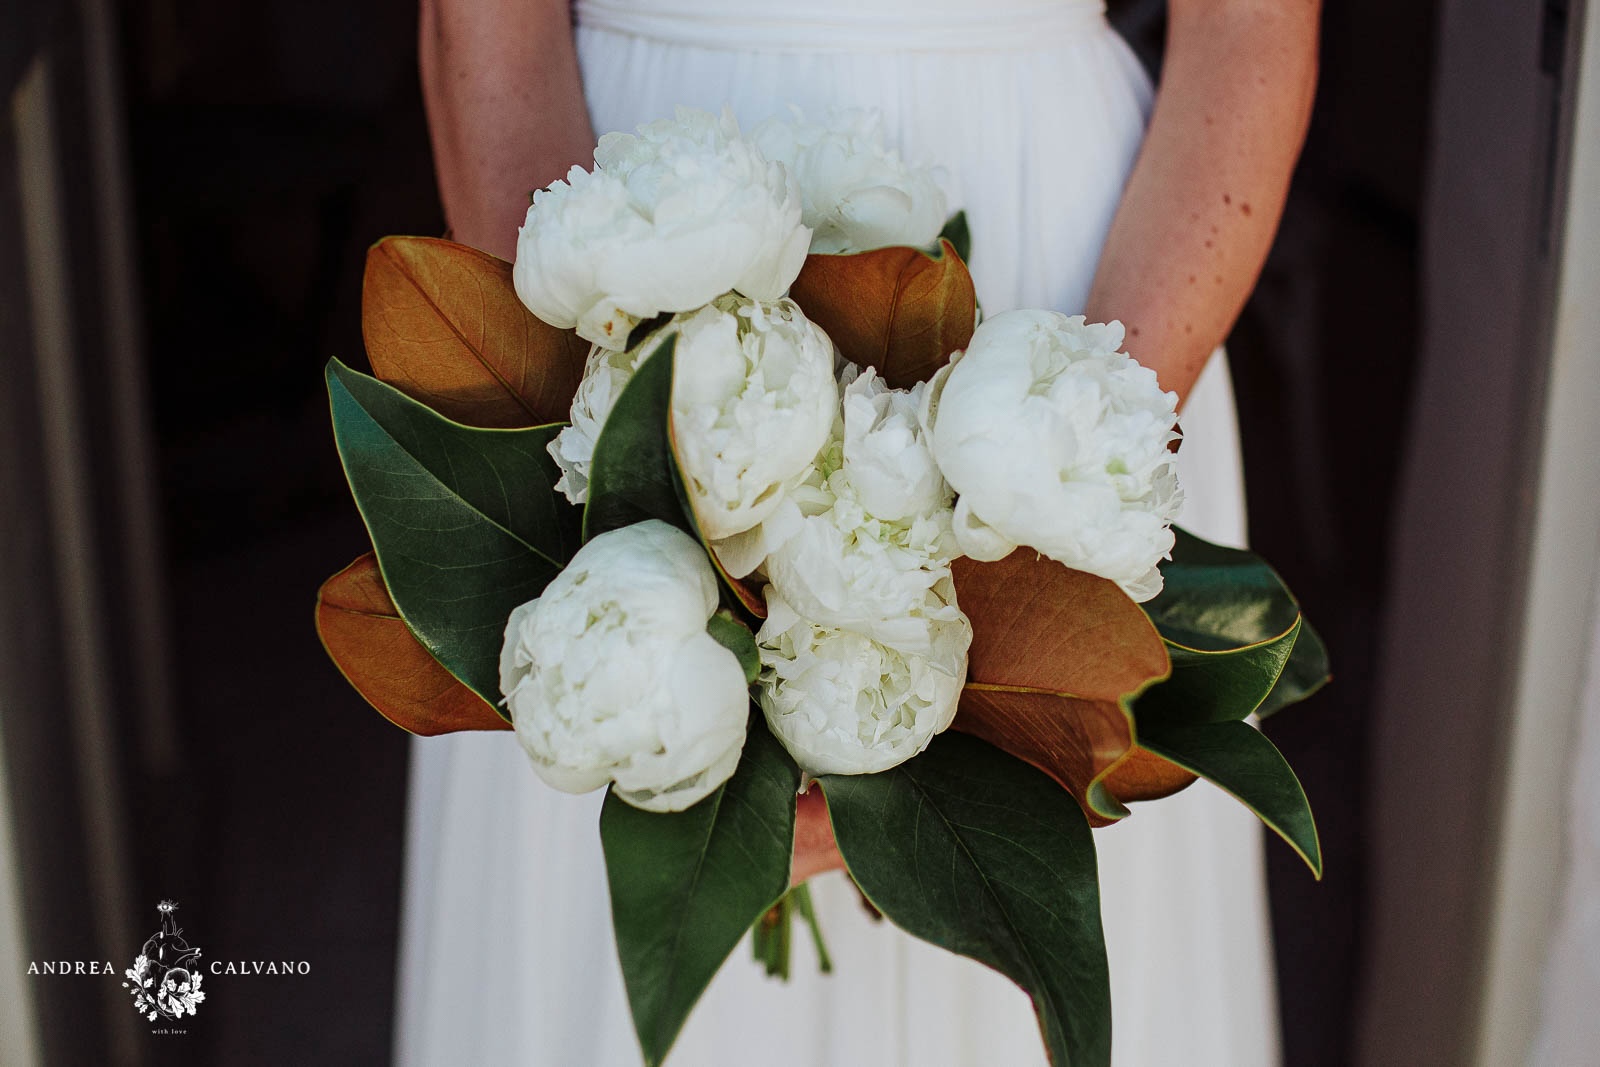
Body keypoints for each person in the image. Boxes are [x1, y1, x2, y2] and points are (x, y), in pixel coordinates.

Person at [397, 1, 1319, 1064]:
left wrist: (1053, 491)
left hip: (1076, 270)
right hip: (634, 207)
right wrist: (610, 455)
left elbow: (1249, 31)